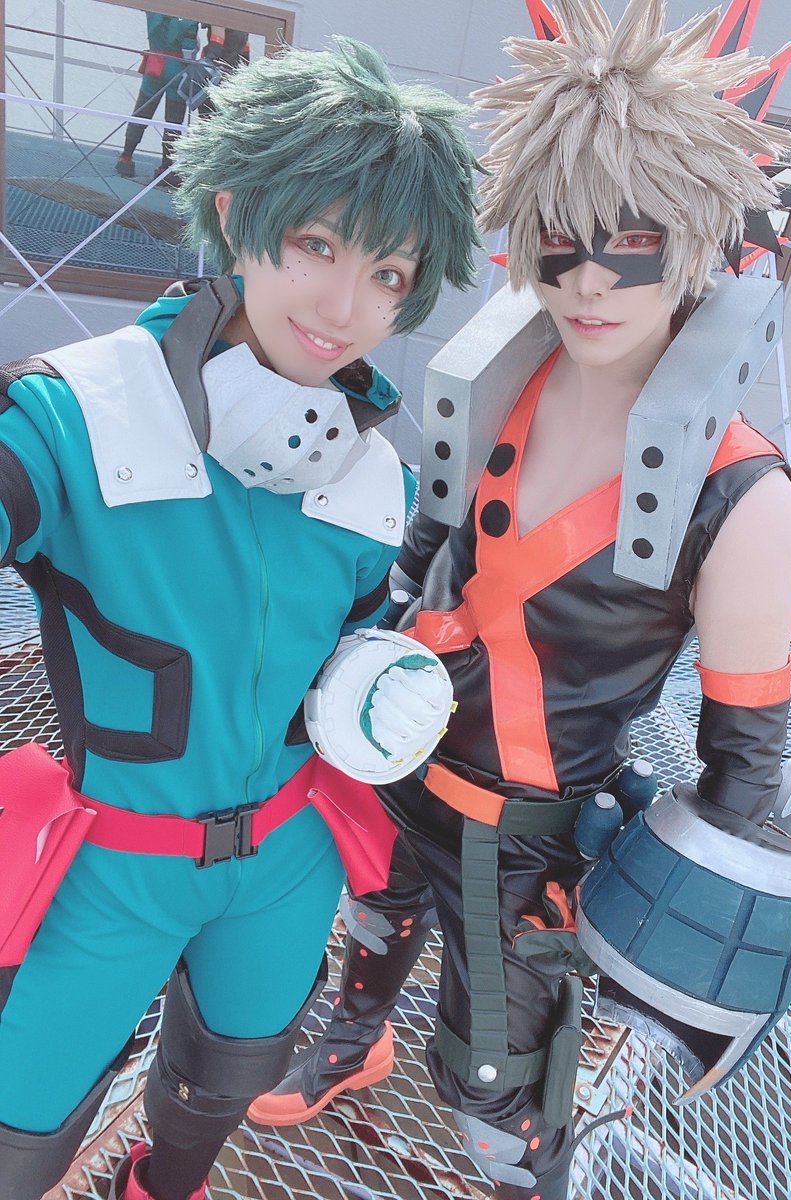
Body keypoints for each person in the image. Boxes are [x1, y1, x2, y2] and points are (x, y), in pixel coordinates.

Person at [249, 3, 791, 1199]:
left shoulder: (741, 493)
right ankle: (356, 1038)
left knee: (495, 1094)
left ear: (701, 235)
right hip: (396, 739)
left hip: (525, 837)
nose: (591, 280)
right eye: (561, 239)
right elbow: (426, 553)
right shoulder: (504, 377)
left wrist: (686, 942)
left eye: (636, 240)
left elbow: (745, 768)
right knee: (371, 909)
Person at [0, 38, 479, 1200]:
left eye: (388, 273)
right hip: (116, 866)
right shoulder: (75, 412)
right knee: (19, 1133)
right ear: (235, 213)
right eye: (316, 243)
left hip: (287, 857)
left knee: (225, 1083)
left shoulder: (379, 476)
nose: (344, 307)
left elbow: (348, 660)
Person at [116, 12, 199, 181]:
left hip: (153, 65)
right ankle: (166, 168)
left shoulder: (153, 9)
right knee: (173, 122)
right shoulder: (190, 16)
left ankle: (126, 157)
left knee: (141, 113)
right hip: (177, 69)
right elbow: (188, 51)